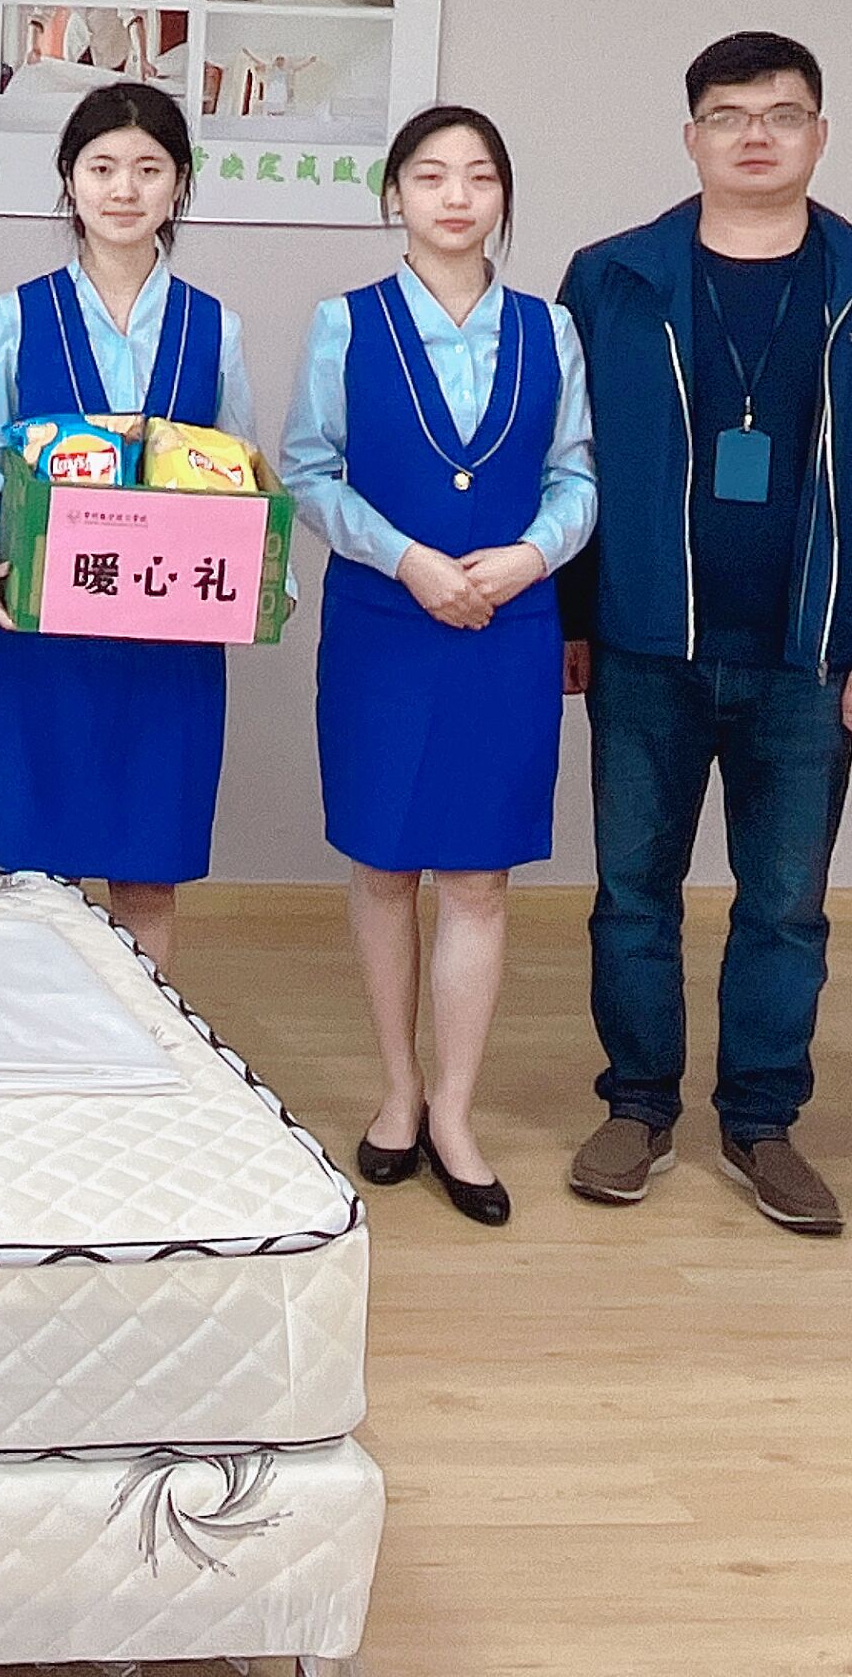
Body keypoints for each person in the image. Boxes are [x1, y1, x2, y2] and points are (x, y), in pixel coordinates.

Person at [555, 32, 852, 1235]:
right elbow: (567, 465)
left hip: (808, 652)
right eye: (729, 115)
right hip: (645, 643)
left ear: (820, 135)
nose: (756, 135)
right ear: (692, 139)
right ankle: (638, 1108)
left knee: (786, 906)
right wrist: (568, 621)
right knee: (634, 893)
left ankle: (763, 1123)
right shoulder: (611, 280)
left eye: (782, 114)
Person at [278, 105, 597, 1226]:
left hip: (506, 628)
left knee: (478, 877)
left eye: (479, 176)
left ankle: (456, 1110)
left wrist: (527, 558)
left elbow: (577, 477)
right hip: (386, 624)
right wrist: (409, 560)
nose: (456, 196)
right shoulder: (344, 324)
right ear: (395, 197)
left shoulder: (551, 330)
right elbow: (308, 472)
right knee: (383, 867)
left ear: (503, 195)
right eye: (430, 175)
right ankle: (399, 1090)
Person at [0, 81, 259, 974]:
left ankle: (145, 1038)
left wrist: (257, 578)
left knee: (149, 872)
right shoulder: (19, 313)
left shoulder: (214, 325)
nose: (124, 189)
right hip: (45, 631)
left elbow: (242, 471)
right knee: (38, 875)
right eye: (102, 167)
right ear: (69, 179)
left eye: (148, 169)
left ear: (179, 184)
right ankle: (37, 1039)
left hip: (168, 643)